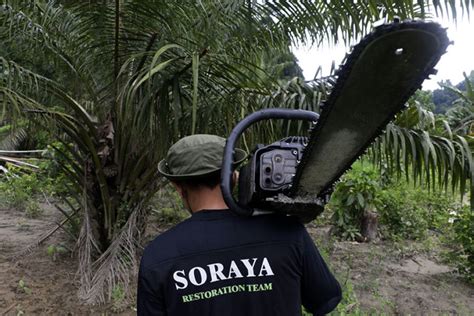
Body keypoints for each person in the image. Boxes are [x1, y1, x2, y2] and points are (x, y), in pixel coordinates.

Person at [137, 134, 341, 315]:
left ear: (178, 187)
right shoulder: (288, 232)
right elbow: (324, 299)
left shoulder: (159, 255)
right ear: (234, 177)